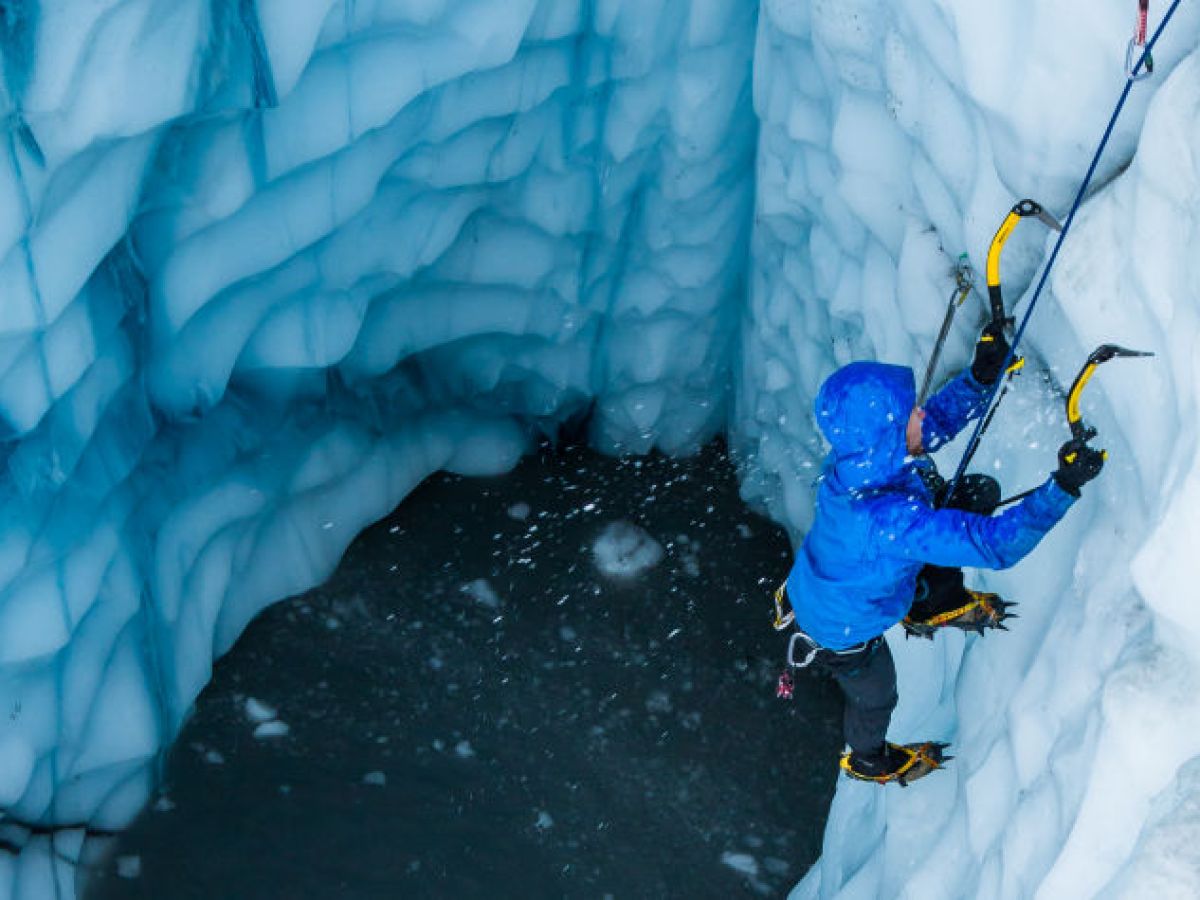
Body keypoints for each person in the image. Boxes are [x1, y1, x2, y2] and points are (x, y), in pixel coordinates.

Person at [774, 327, 1105, 785]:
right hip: (841, 632)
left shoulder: (856, 464)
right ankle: (869, 760)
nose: (921, 413)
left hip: (832, 582)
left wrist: (980, 378)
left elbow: (926, 431)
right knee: (875, 697)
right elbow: (994, 544)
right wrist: (1062, 488)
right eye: (910, 412)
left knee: (971, 494)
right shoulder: (887, 521)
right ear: (885, 437)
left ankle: (930, 601)